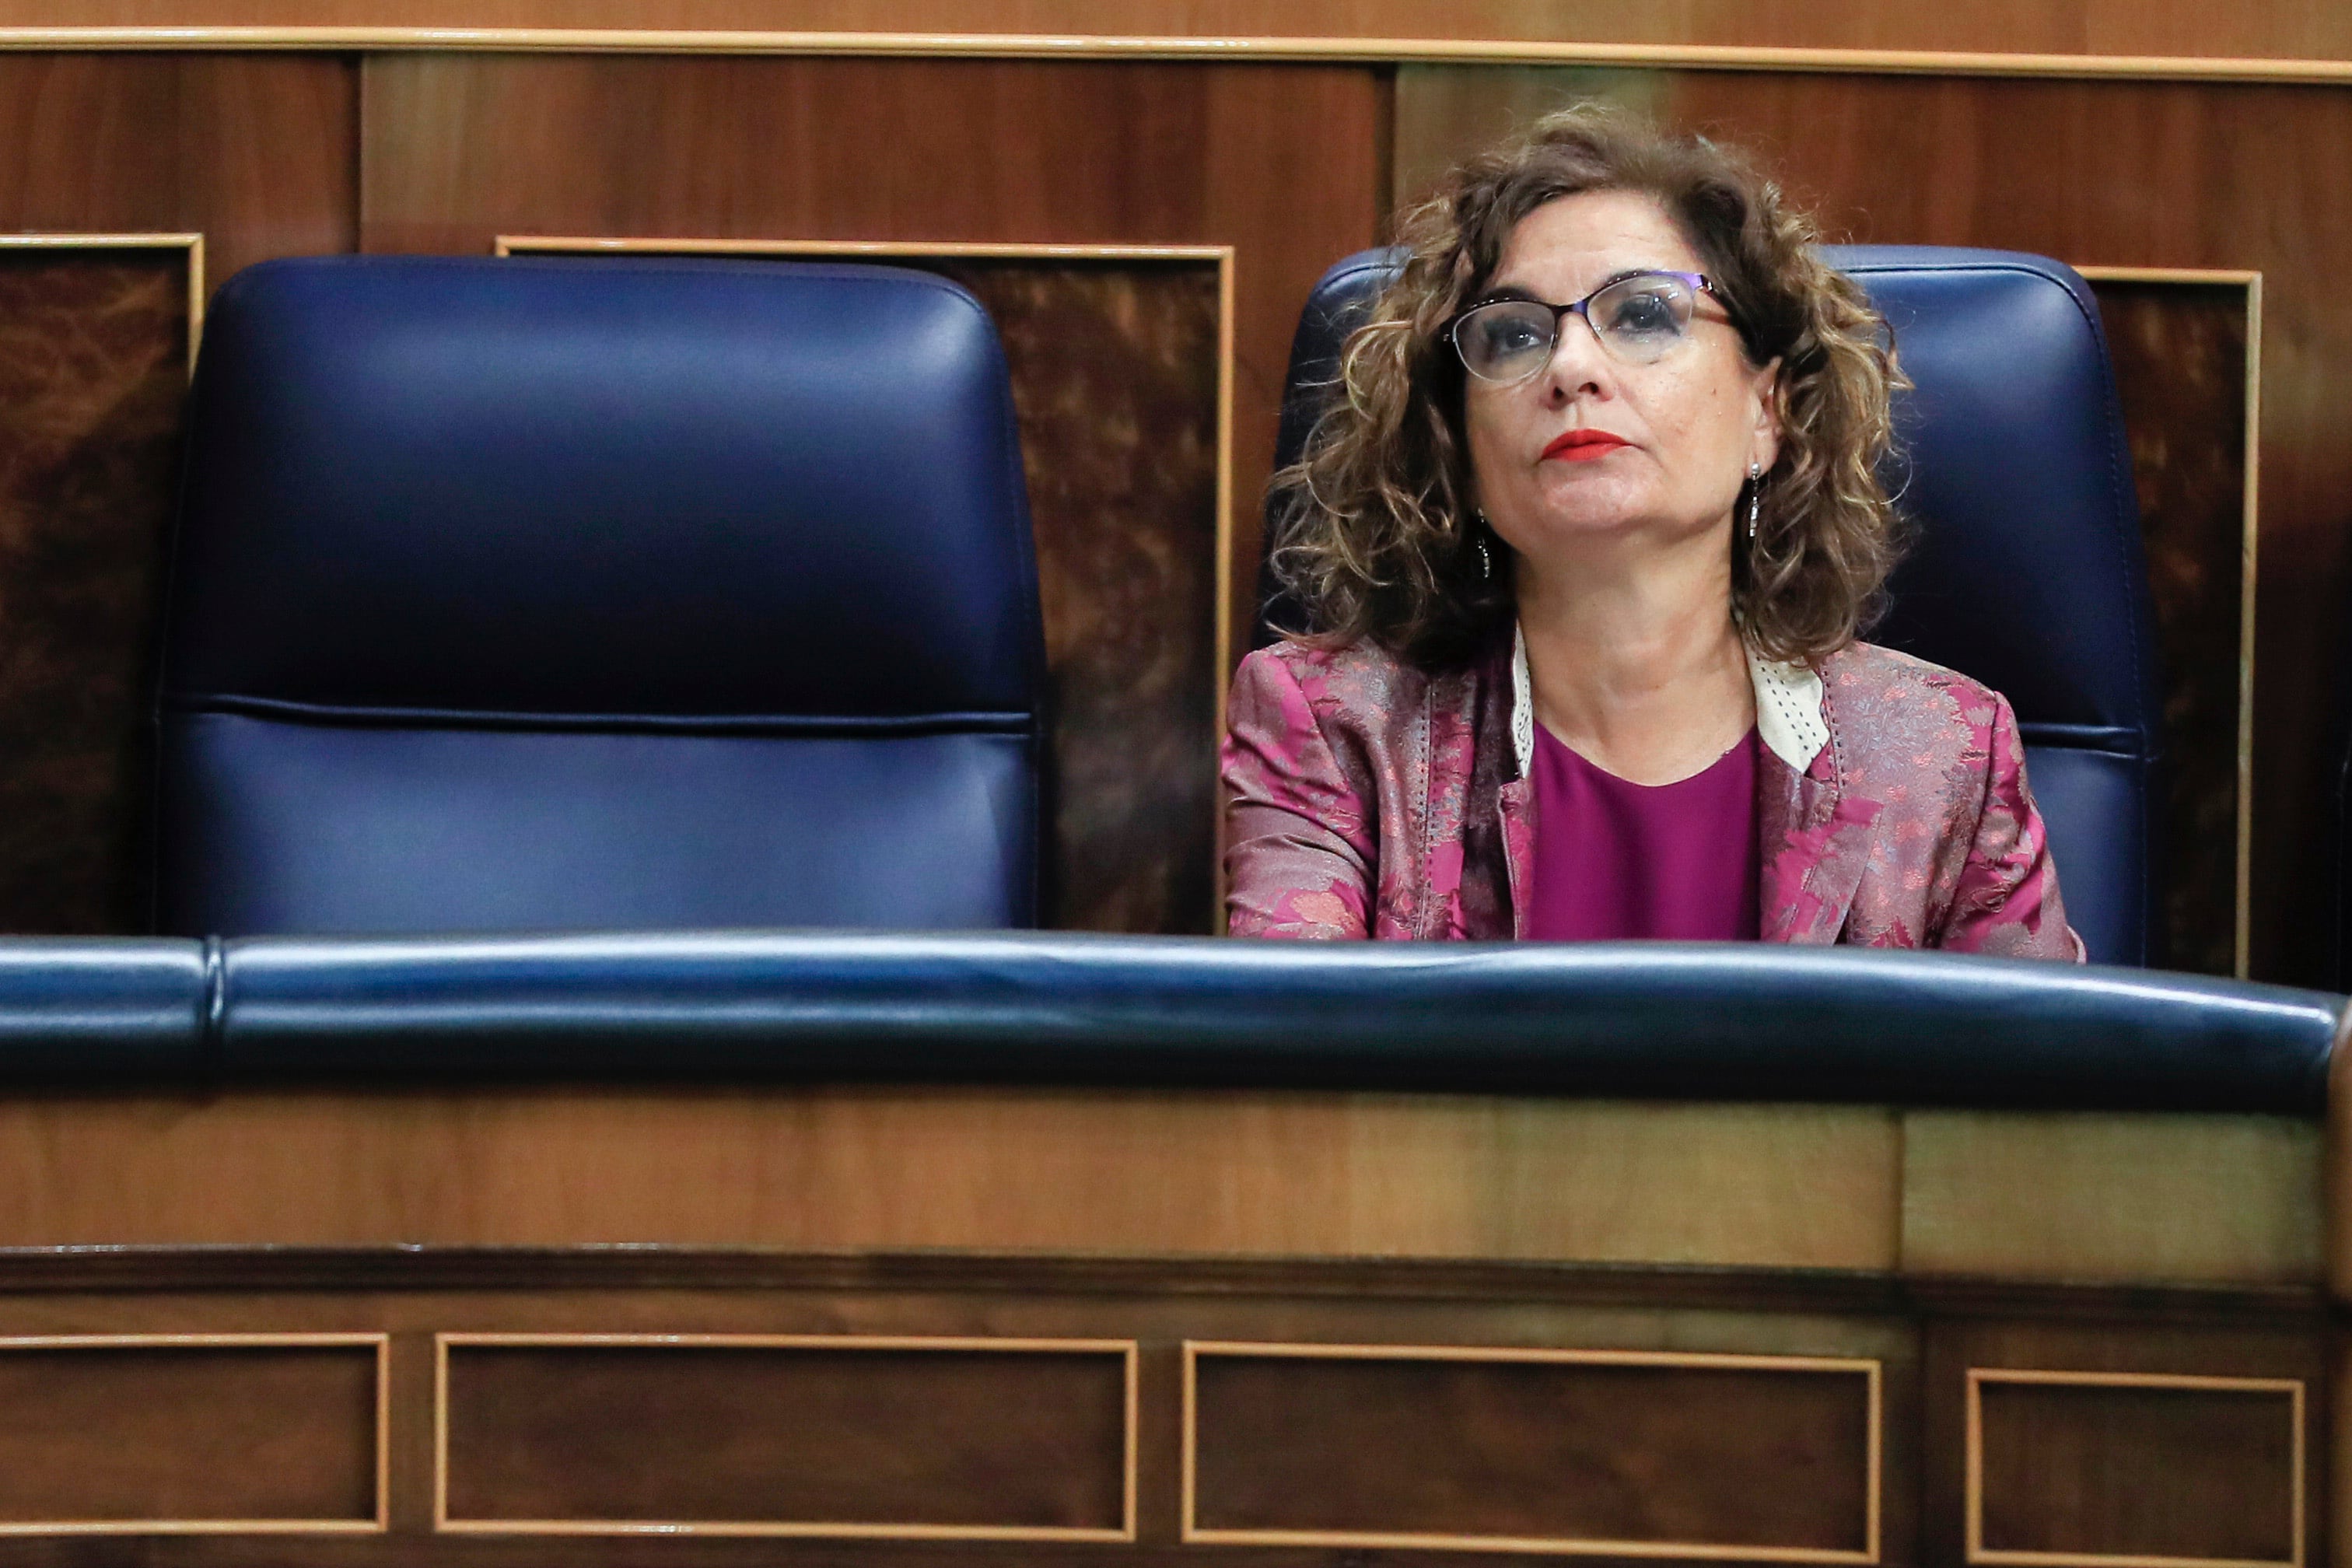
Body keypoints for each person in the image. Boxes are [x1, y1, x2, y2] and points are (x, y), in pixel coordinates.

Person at [1222, 104, 2080, 958]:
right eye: (1514, 334)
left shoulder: (1944, 753)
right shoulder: (1334, 728)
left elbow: (2043, 1085)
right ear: (1462, 450)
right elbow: (1295, 1069)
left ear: (1767, 414)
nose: (1571, 368)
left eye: (1641, 316)